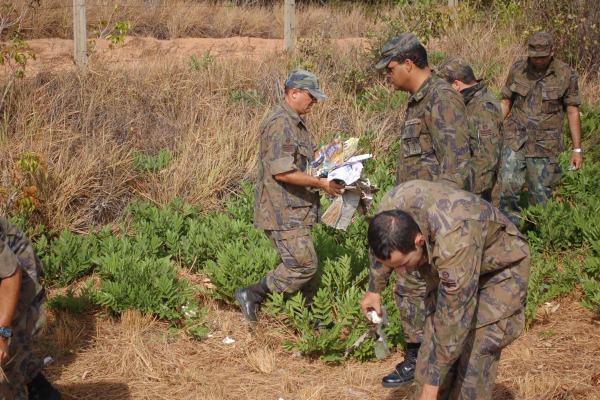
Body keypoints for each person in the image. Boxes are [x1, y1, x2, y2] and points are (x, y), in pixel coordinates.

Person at [360, 180, 531, 400]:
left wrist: (431, 389)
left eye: (404, 263)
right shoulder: (389, 213)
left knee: (474, 354)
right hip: (454, 266)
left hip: (498, 271)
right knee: (430, 348)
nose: (401, 273)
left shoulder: (454, 239)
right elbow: (384, 251)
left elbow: (453, 321)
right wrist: (375, 289)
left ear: (419, 240)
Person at [374, 33, 473, 387]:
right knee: (411, 290)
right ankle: (419, 358)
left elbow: (458, 169)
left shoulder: (442, 99)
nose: (388, 77)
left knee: (428, 294)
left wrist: (438, 226)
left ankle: (433, 364)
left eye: (389, 69)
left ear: (408, 64)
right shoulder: (418, 101)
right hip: (415, 219)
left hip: (436, 225)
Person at [234, 69, 344, 322]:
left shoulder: (294, 123)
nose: (314, 101)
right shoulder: (281, 124)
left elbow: (298, 165)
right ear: (294, 92)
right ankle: (252, 294)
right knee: (302, 266)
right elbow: (282, 172)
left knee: (308, 265)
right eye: (311, 95)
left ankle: (314, 319)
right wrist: (321, 183)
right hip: (282, 210)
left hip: (295, 207)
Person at [499, 31, 584, 225]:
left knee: (540, 194)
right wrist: (491, 128)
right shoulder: (518, 69)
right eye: (534, 56)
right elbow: (505, 102)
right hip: (515, 138)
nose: (538, 61)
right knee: (506, 184)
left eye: (542, 57)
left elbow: (572, 111)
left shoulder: (566, 74)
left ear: (552, 51)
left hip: (545, 144)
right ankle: (509, 228)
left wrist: (577, 149)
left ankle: (539, 232)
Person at [0, 217, 62, 400]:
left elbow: (10, 275)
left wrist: (2, 334)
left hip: (14, 270)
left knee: (8, 357)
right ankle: (43, 392)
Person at [438, 58, 504, 202]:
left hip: (480, 193)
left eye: (444, 86)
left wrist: (470, 195)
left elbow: (486, 158)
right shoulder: (467, 102)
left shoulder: (483, 107)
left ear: (456, 84)